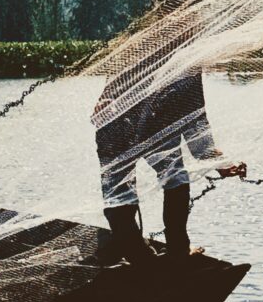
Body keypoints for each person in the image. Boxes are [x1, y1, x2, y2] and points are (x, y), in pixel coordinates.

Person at [94, 68, 245, 264]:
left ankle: (136, 251)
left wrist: (218, 162)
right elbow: (195, 120)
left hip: (123, 127)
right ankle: (171, 249)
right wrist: (214, 160)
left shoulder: (144, 45)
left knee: (121, 191)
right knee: (173, 181)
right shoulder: (187, 60)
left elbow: (195, 121)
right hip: (140, 128)